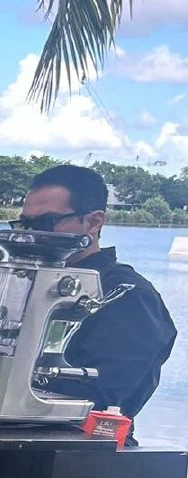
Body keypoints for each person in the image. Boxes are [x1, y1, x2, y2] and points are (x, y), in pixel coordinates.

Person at [16, 165, 176, 430]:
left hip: (72, 451)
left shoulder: (129, 297)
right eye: (25, 224)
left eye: (45, 223)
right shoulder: (30, 282)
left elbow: (102, 395)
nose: (30, 235)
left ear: (93, 222)